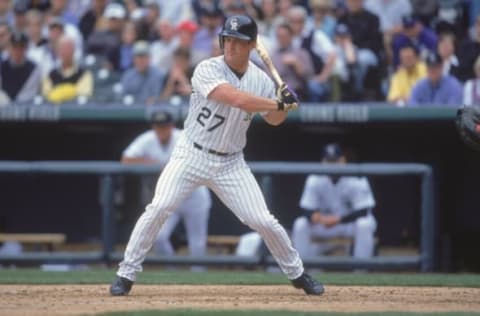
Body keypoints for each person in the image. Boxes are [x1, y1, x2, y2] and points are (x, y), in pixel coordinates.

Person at [110, 14, 324, 297]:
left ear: (251, 46)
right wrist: (277, 100)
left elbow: (273, 120)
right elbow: (236, 98)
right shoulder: (206, 69)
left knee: (263, 220)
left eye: (239, 41)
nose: (232, 46)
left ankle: (297, 274)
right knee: (159, 207)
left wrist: (283, 107)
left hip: (230, 162)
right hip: (191, 153)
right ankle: (126, 274)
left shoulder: (260, 79)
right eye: (228, 40)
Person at [121, 110, 211, 268]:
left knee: (197, 242)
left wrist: (168, 166)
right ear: (153, 127)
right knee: (159, 237)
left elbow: (201, 159)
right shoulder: (147, 139)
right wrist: (151, 163)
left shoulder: (183, 137)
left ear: (171, 126)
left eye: (165, 126)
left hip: (194, 196)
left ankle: (199, 278)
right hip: (172, 196)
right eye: (158, 126)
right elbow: (126, 160)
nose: (162, 129)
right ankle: (172, 271)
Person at [292, 143, 377, 259]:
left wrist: (338, 219)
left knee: (365, 224)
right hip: (325, 225)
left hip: (349, 225)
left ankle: (361, 269)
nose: (332, 165)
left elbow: (364, 211)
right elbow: (306, 209)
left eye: (335, 160)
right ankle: (301, 270)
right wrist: (318, 217)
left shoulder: (356, 177)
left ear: (343, 160)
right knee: (300, 224)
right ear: (323, 162)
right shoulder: (314, 179)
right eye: (329, 161)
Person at [42, 35, 93, 104]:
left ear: (74, 50)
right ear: (58, 52)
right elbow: (46, 96)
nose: (66, 52)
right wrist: (72, 90)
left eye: (69, 48)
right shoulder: (50, 74)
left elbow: (83, 95)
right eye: (63, 48)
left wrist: (58, 93)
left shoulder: (84, 73)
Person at [271, 23, 314, 101]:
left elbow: (309, 76)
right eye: (279, 36)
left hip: (298, 93)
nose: (281, 39)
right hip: (277, 94)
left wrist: (297, 64)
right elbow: (268, 79)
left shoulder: (301, 53)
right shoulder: (272, 57)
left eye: (284, 36)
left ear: (291, 36)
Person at [0, 31, 41, 105]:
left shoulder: (33, 68)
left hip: (24, 110)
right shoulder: (2, 66)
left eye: (21, 47)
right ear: (9, 48)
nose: (17, 51)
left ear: (26, 49)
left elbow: (28, 95)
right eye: (15, 47)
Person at [120, 41, 166, 105]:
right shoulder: (128, 76)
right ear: (133, 59)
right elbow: (122, 99)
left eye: (144, 56)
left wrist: (156, 99)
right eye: (138, 56)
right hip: (131, 111)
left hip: (153, 111)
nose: (141, 60)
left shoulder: (159, 75)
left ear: (150, 58)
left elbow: (163, 97)